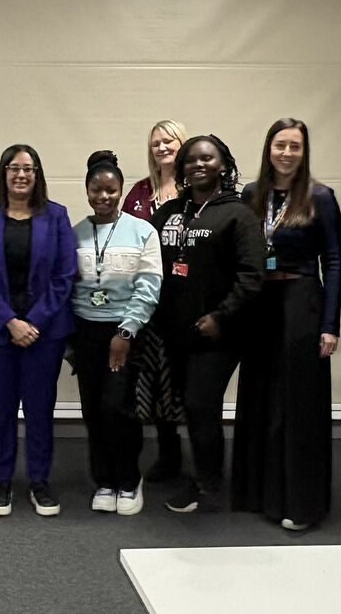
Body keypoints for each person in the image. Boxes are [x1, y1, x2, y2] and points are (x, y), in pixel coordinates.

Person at [232, 118, 341, 531]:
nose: (286, 153)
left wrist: (330, 324)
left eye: (295, 146)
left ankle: (300, 502)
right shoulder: (252, 195)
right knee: (260, 395)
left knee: (296, 402)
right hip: (261, 302)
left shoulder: (321, 197)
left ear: (304, 151)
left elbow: (333, 262)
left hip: (301, 302)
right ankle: (258, 494)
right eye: (280, 145)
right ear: (269, 149)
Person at [151, 135, 264, 514]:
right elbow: (147, 258)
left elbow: (251, 275)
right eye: (191, 160)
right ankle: (197, 471)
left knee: (201, 406)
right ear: (181, 168)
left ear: (223, 164)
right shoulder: (170, 212)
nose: (198, 165)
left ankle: (207, 485)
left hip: (218, 333)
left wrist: (221, 316)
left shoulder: (238, 214)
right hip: (174, 331)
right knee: (183, 406)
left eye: (207, 158)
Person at [0, 144, 76, 517]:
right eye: (14, 168)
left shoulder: (57, 216)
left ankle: (39, 482)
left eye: (28, 168)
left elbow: (64, 277)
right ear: (3, 173)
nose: (21, 174)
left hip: (45, 332)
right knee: (1, 409)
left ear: (37, 174)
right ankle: (1, 482)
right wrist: (10, 321)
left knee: (40, 409)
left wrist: (35, 322)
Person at [70, 151, 162, 515]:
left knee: (118, 408)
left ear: (122, 191)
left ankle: (128, 479)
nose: (103, 196)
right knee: (93, 410)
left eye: (111, 190)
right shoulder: (75, 232)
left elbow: (150, 285)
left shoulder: (143, 231)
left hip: (123, 331)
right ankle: (104, 481)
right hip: (85, 331)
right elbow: (68, 284)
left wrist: (126, 331)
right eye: (96, 190)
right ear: (87, 190)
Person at [121, 119, 189, 482]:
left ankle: (201, 459)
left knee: (185, 382)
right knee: (154, 380)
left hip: (185, 301)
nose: (162, 148)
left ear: (183, 143)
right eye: (155, 143)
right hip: (146, 301)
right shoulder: (139, 192)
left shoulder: (196, 189)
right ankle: (168, 454)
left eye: (169, 141)